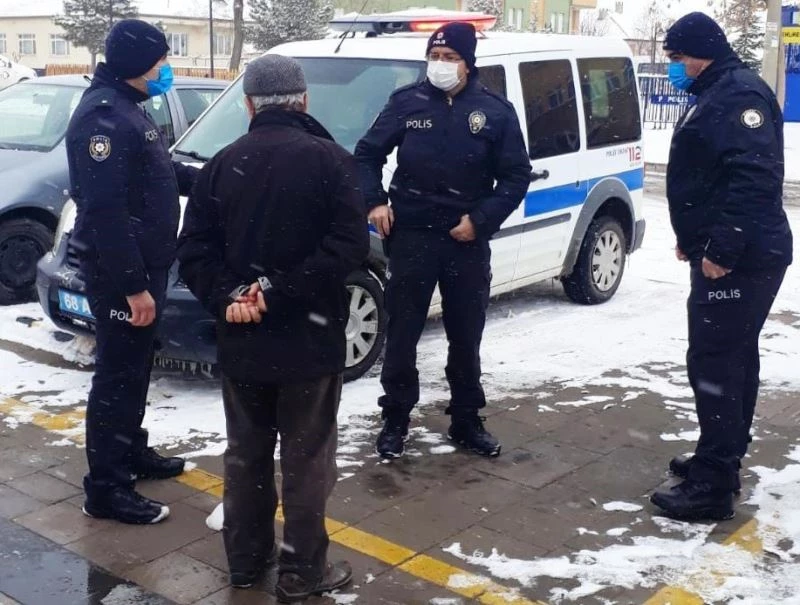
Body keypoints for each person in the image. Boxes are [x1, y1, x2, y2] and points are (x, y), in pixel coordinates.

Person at [176, 54, 369, 601]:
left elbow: (192, 251)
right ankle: (301, 573)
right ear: (304, 101)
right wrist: (277, 291)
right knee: (307, 463)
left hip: (245, 343)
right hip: (309, 343)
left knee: (247, 456)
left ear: (247, 105)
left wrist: (231, 295)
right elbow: (348, 248)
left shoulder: (221, 163)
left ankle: (245, 561)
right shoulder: (332, 162)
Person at [354, 22, 531, 459]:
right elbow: (366, 155)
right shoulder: (406, 102)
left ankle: (467, 420)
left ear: (469, 64)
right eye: (435, 57)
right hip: (411, 236)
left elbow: (515, 175)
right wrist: (375, 202)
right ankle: (395, 419)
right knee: (402, 334)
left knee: (465, 336)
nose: (440, 66)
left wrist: (481, 219)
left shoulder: (494, 111)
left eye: (450, 58)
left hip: (465, 240)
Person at [650, 12, 793, 521]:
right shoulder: (717, 91)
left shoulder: (736, 95)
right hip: (732, 255)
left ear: (699, 51)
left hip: (741, 261)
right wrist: (695, 237)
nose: (674, 67)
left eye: (676, 57)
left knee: (717, 364)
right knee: (728, 359)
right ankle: (720, 457)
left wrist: (721, 251)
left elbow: (754, 180)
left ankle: (712, 486)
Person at [66, 19, 197, 525]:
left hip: (147, 265)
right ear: (135, 62)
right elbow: (105, 212)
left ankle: (130, 452)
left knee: (135, 368)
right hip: (124, 274)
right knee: (117, 378)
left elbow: (160, 171)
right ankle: (105, 488)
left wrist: (213, 178)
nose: (166, 67)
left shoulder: (127, 110)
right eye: (161, 59)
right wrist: (133, 286)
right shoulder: (104, 118)